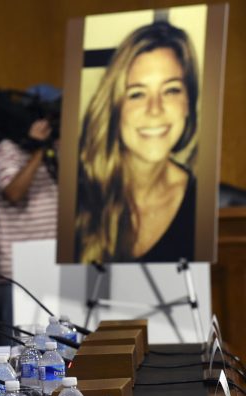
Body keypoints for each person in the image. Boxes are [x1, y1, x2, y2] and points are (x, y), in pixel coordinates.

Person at [75, 21, 199, 263]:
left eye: (171, 90)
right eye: (137, 94)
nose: (155, 110)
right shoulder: (79, 193)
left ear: (188, 104)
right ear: (114, 108)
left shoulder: (205, 207)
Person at [0, 85, 60, 333]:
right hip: (18, 272)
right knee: (22, 349)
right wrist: (39, 149)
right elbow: (14, 192)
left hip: (55, 262)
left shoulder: (59, 150)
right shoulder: (7, 149)